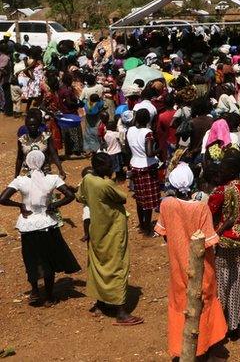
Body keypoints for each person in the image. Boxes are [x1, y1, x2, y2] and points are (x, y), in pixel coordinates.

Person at [155, 165, 228, 359]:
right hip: (202, 266)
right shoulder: (201, 207)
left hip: (178, 265)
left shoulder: (166, 204)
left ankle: (183, 348)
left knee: (181, 303)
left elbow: (164, 234)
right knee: (205, 301)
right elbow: (210, 241)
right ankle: (207, 346)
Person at [0, 150, 80, 307]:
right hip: (47, 223)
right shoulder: (52, 179)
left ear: (27, 163)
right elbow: (70, 196)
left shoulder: (20, 181)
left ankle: (35, 291)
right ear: (45, 163)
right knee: (48, 259)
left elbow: (2, 199)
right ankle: (49, 296)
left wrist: (20, 205)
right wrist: (54, 205)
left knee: (31, 259)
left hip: (27, 224)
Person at [77, 152, 143, 325]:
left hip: (96, 230)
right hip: (113, 230)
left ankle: (100, 303)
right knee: (118, 266)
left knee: (99, 264)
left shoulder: (87, 180)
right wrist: (111, 179)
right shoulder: (106, 184)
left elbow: (80, 197)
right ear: (104, 167)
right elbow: (122, 198)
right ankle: (121, 313)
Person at [207, 149, 240, 340]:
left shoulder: (220, 192)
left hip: (225, 243)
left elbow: (210, 214)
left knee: (226, 285)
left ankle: (229, 325)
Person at [126, 108, 160, 235]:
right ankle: (147, 227)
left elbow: (127, 148)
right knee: (149, 200)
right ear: (148, 119)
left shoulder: (130, 130)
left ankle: (142, 223)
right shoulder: (148, 132)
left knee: (140, 198)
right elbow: (150, 153)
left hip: (135, 165)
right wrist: (160, 149)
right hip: (147, 167)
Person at [15, 108, 66, 178]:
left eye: (34, 125)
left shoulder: (46, 137)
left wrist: (60, 169)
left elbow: (54, 154)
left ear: (39, 125)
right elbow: (19, 158)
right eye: (30, 125)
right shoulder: (22, 140)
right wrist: (16, 176)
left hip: (44, 171)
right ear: (26, 125)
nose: (32, 127)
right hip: (27, 172)